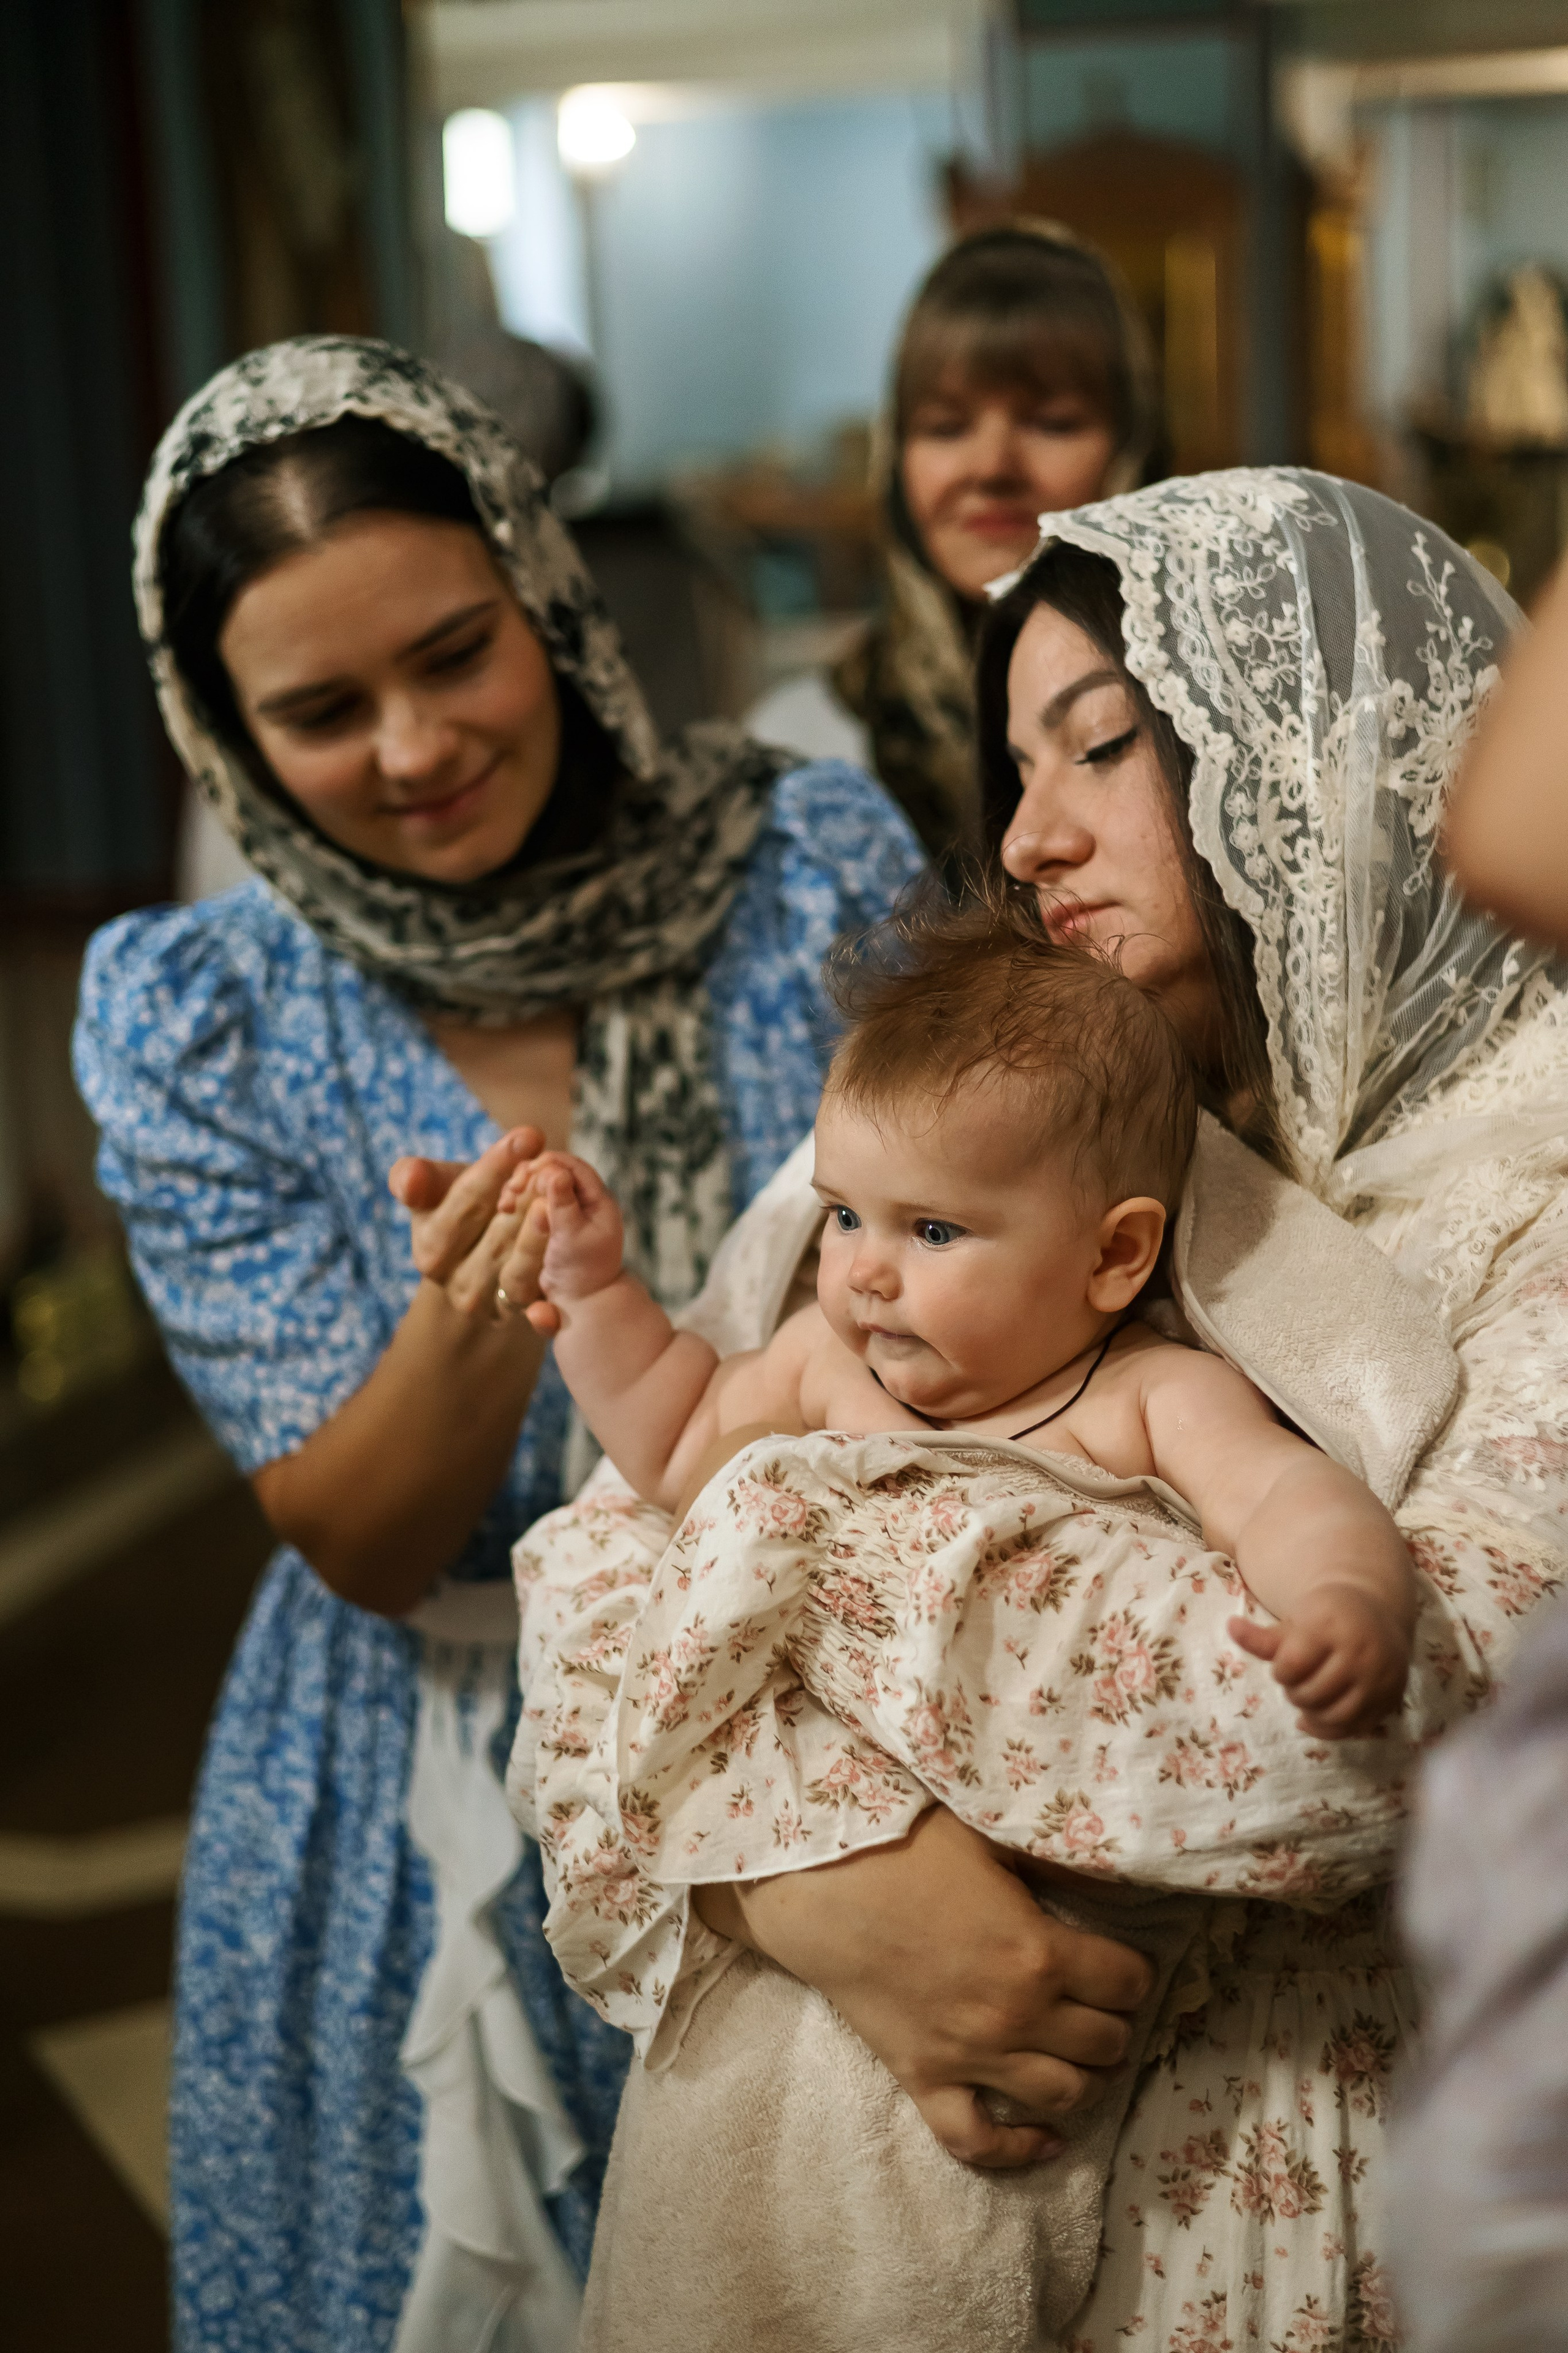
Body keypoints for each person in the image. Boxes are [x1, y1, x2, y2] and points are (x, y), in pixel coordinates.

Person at [502, 465, 1568, 2347]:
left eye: (1098, 748)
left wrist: (770, 1569)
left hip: (1288, 2184)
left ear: (1314, 754)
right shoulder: (980, 1130)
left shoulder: (1530, 1177)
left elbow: (1365, 1741)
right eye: (1015, 765)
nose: (1027, 834)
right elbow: (593, 1567)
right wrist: (813, 1875)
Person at [70, 335, 929, 2353]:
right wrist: (484, 1316)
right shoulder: (201, 1009)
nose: (412, 745)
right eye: (319, 709)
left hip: (820, 1705)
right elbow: (358, 1540)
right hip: (414, 1771)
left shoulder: (810, 870)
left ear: (548, 595)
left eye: (457, 652)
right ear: (221, 730)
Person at [499, 894, 1415, 1745]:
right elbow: (670, 1434)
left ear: (1113, 1257)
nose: (863, 1271)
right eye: (843, 1215)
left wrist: (1344, 1597)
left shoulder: (1147, 1396)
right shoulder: (825, 1365)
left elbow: (1281, 1496)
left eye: (932, 1230)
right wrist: (590, 1289)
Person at [748, 221, 1156, 856]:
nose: (992, 467)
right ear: (894, 460)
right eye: (945, 427)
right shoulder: (805, 748)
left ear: (1133, 452)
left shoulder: (1201, 734)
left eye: (1052, 423)